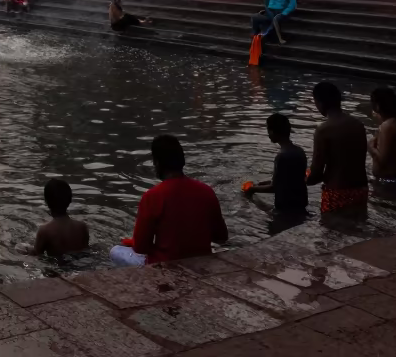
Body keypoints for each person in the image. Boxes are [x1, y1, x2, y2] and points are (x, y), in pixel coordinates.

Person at [112, 135, 227, 267]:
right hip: (201, 260)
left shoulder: (153, 196)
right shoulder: (207, 191)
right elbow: (221, 237)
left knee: (115, 251)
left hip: (165, 264)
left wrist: (134, 242)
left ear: (157, 163)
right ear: (182, 160)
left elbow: (141, 248)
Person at [307, 81, 369, 215]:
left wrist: (296, 180)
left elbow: (316, 174)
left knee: (330, 225)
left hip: (336, 192)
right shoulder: (358, 125)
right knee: (358, 223)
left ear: (319, 103)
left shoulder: (323, 130)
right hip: (360, 189)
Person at [244, 114, 308, 221]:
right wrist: (260, 184)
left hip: (285, 210)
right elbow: (290, 180)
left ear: (273, 132)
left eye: (268, 130)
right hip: (300, 205)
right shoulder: (300, 151)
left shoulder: (281, 156)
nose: (268, 134)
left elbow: (275, 187)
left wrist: (252, 189)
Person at [31, 178, 90, 257]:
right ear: (70, 200)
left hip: (57, 264)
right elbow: (86, 252)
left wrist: (27, 251)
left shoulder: (44, 231)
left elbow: (37, 256)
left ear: (46, 202)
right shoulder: (82, 227)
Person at [368, 87, 396, 183]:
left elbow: (383, 161)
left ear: (377, 106)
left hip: (386, 181)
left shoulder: (387, 126)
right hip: (394, 177)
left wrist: (370, 148)